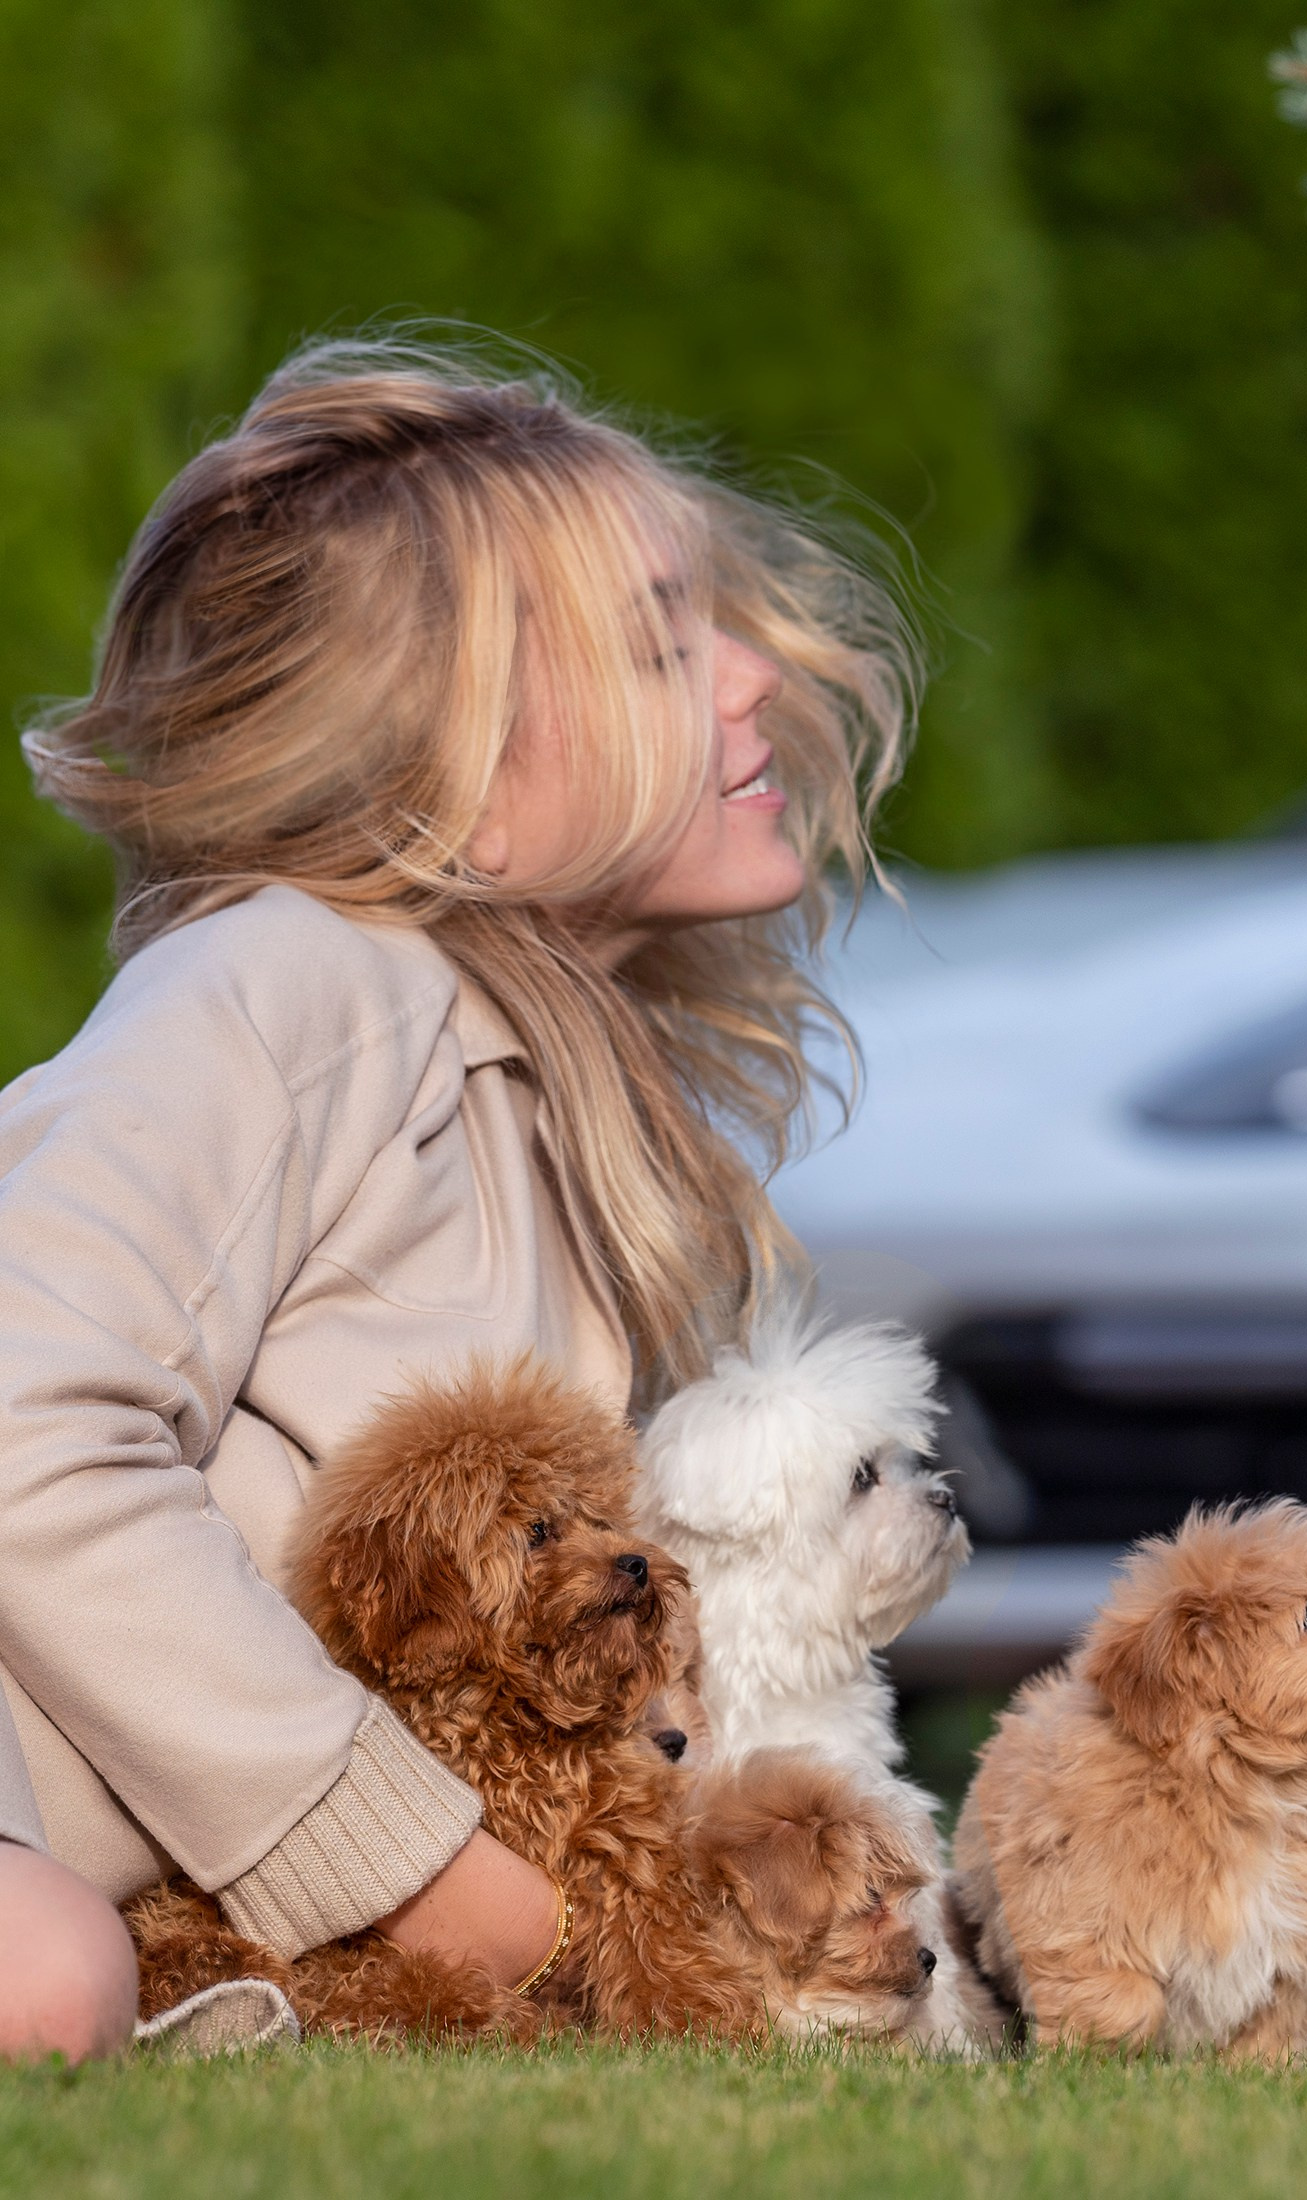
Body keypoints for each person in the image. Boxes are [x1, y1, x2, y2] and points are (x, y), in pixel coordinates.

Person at [0, 336, 914, 2058]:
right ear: (460, 789)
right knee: (40, 1987)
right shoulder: (286, 983)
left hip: (129, 1845)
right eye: (659, 643)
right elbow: (18, 1411)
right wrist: (408, 1870)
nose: (748, 678)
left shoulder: (548, 1086)